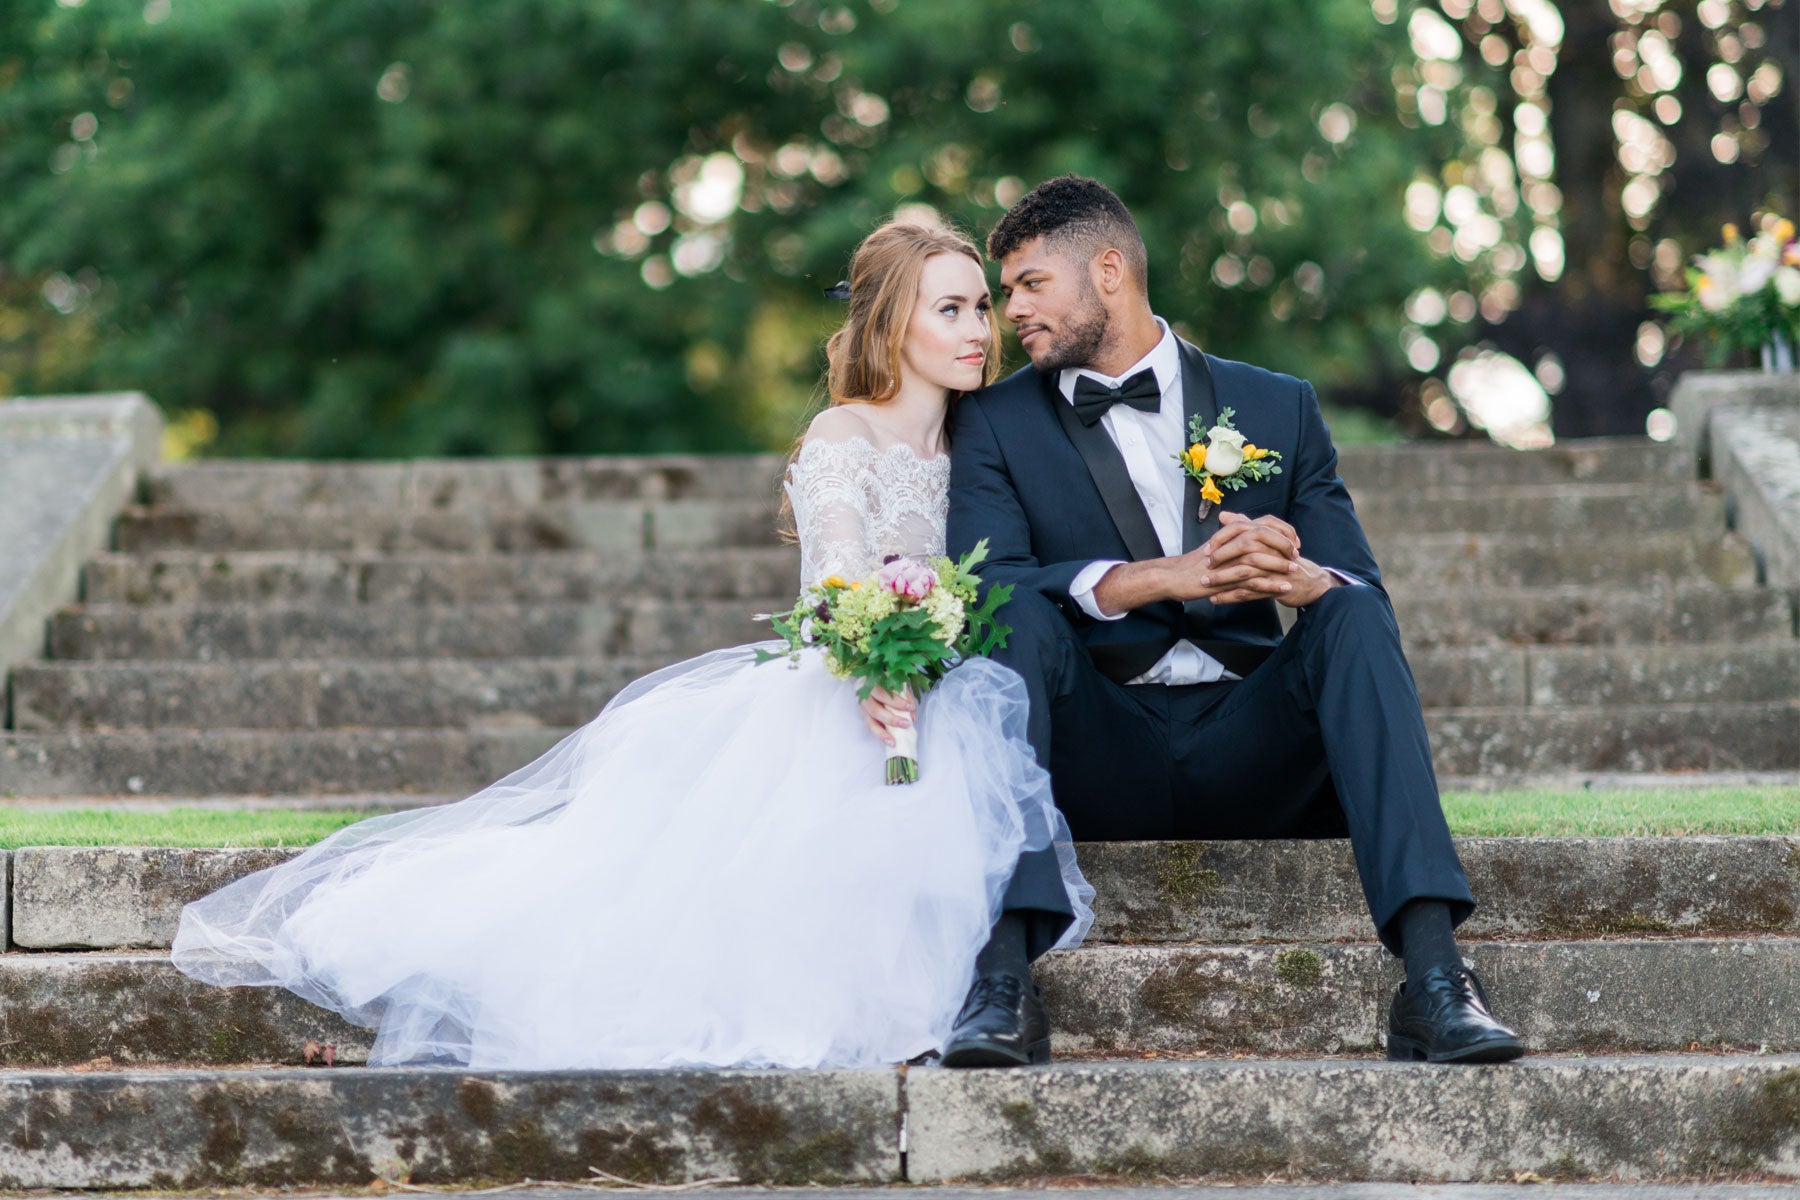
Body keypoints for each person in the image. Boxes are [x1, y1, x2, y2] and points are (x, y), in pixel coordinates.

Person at [171, 219, 1093, 1071]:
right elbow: (835, 582)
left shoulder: (984, 438)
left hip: (954, 678)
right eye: (952, 309)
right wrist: (873, 666)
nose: (981, 328)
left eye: (981, 306)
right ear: (892, 325)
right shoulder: (841, 433)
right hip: (853, 684)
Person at [940, 175, 1523, 1066]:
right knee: (1012, 611)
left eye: (1028, 285)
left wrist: (1295, 577)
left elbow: (1359, 580)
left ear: (1107, 271)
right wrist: (1149, 579)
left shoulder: (1278, 406)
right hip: (1100, 750)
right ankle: (1003, 980)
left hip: (1254, 748)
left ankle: (1438, 982)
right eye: (1004, 289)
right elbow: (983, 588)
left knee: (1353, 615)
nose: (1008, 312)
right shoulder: (991, 421)